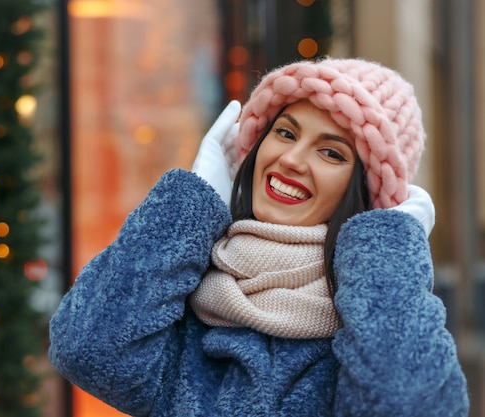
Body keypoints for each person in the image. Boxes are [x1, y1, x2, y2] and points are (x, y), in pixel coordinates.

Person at [48, 57, 469, 416]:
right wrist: (192, 202)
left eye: (331, 152)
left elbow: (403, 404)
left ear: (365, 192)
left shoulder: (373, 319)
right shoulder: (185, 291)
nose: (290, 159)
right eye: (285, 132)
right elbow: (88, 352)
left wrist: (385, 253)